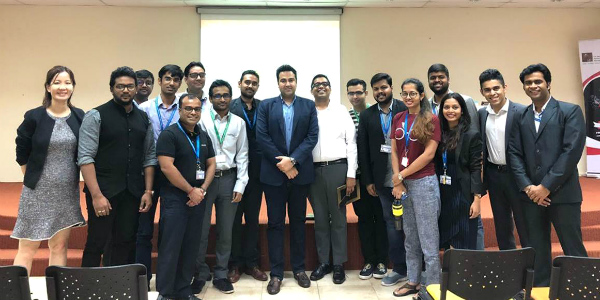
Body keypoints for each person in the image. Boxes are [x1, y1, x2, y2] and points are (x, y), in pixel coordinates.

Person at [508, 63, 588, 286]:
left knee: (573, 247)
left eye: (538, 81)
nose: (533, 86)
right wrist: (528, 187)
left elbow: (571, 152)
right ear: (523, 87)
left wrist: (546, 186)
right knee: (537, 248)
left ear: (548, 84)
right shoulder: (520, 116)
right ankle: (541, 289)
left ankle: (583, 288)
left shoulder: (569, 111)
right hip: (531, 196)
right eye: (528, 83)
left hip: (563, 195)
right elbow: (513, 153)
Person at [78, 66, 156, 267]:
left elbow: (148, 157)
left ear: (136, 88)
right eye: (120, 86)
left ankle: (118, 289)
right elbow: (85, 158)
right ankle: (90, 291)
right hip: (104, 192)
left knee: (125, 242)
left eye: (130, 86)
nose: (126, 90)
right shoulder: (96, 115)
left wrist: (148, 191)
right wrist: (96, 196)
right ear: (112, 88)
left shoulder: (143, 118)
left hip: (132, 193)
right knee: (97, 242)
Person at [12, 66, 86, 274]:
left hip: (66, 192)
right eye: (57, 82)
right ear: (48, 87)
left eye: (67, 82)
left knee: (59, 246)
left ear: (73, 87)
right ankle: (20, 293)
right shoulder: (35, 116)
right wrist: (29, 174)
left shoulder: (80, 116)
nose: (63, 87)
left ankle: (56, 293)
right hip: (37, 191)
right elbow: (22, 148)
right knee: (28, 247)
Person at [256, 64, 318, 295]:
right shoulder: (266, 105)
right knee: (275, 224)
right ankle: (276, 273)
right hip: (273, 175)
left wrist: (294, 161)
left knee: (299, 222)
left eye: (291, 79)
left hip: (300, 174)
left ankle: (299, 269)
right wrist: (282, 164)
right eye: (283, 80)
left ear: (296, 81)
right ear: (278, 83)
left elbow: (312, 137)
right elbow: (262, 137)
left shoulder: (308, 105)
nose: (287, 83)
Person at [155, 93, 216, 300]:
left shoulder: (203, 135)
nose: (193, 112)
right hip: (176, 199)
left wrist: (202, 190)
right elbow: (166, 167)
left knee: (191, 246)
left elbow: (211, 164)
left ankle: (183, 290)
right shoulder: (169, 135)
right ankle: (165, 293)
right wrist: (191, 190)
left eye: (197, 109)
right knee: (171, 246)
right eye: (188, 108)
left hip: (198, 198)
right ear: (179, 110)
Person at [193, 79, 249, 294]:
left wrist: (241, 184)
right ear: (211, 98)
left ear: (231, 97)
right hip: (205, 181)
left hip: (229, 179)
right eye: (217, 95)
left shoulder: (238, 123)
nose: (222, 99)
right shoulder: (201, 120)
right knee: (202, 229)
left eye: (226, 95)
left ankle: (221, 274)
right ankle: (199, 273)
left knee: (226, 230)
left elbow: (243, 155)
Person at [390, 78, 441, 297]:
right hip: (404, 184)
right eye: (404, 94)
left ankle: (432, 287)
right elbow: (393, 150)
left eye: (412, 93)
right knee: (410, 236)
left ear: (421, 95)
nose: (408, 97)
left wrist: (402, 174)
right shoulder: (399, 117)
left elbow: (429, 154)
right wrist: (399, 181)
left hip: (423, 183)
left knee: (428, 239)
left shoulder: (431, 119)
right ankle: (413, 280)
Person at [357, 73, 408, 287]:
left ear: (391, 88)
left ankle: (418, 268)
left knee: (412, 225)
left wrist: (403, 178)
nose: (380, 92)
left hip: (407, 179)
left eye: (383, 87)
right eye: (376, 89)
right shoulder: (367, 115)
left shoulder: (405, 109)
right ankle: (398, 268)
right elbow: (364, 150)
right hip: (382, 181)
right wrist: (368, 180)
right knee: (392, 225)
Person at [426, 63, 484, 250]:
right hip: (443, 189)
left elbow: (476, 167)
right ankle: (450, 275)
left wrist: (477, 198)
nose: (450, 111)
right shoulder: (439, 133)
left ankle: (469, 274)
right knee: (447, 234)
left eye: (455, 107)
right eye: (447, 107)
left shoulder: (470, 134)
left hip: (463, 189)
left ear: (462, 110)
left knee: (466, 235)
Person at [137, 64, 184, 285]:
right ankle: (142, 278)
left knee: (169, 227)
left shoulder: (184, 109)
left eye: (176, 79)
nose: (171, 83)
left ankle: (167, 279)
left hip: (174, 172)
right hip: (147, 172)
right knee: (144, 227)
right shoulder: (144, 108)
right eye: (167, 78)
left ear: (180, 83)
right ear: (160, 80)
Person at [308, 74, 357, 284]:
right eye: (317, 85)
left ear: (330, 89)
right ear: (311, 90)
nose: (321, 87)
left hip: (338, 168)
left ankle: (338, 264)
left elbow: (351, 143)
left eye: (324, 84)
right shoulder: (307, 111)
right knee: (319, 218)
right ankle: (323, 262)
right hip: (313, 171)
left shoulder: (341, 111)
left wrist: (351, 174)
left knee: (338, 218)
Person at [477, 69, 529, 250]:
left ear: (505, 87)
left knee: (524, 223)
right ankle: (509, 264)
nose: (493, 93)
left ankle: (531, 266)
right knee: (501, 224)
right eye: (487, 90)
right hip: (494, 176)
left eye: (496, 88)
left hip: (517, 176)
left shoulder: (521, 111)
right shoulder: (482, 114)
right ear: (482, 92)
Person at [228, 70, 268, 283]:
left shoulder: (264, 107)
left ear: (257, 86)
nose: (250, 86)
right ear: (239, 83)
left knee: (252, 220)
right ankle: (234, 264)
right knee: (234, 220)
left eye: (254, 83)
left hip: (258, 174)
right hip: (235, 173)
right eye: (247, 82)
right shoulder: (230, 106)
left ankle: (252, 263)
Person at [347, 78, 388, 280]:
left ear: (366, 93)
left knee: (380, 218)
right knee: (364, 219)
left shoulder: (376, 114)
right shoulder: (346, 117)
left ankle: (381, 260)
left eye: (359, 92)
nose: (355, 97)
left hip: (378, 177)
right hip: (357, 178)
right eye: (351, 93)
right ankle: (369, 260)